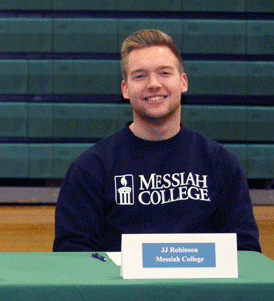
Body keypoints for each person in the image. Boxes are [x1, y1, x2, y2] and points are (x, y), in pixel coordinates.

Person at [53, 29, 261, 253]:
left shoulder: (222, 164)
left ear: (183, 82)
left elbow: (245, 252)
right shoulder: (90, 169)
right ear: (125, 89)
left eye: (164, 73)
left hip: (198, 289)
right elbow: (72, 256)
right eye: (140, 76)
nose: (153, 84)